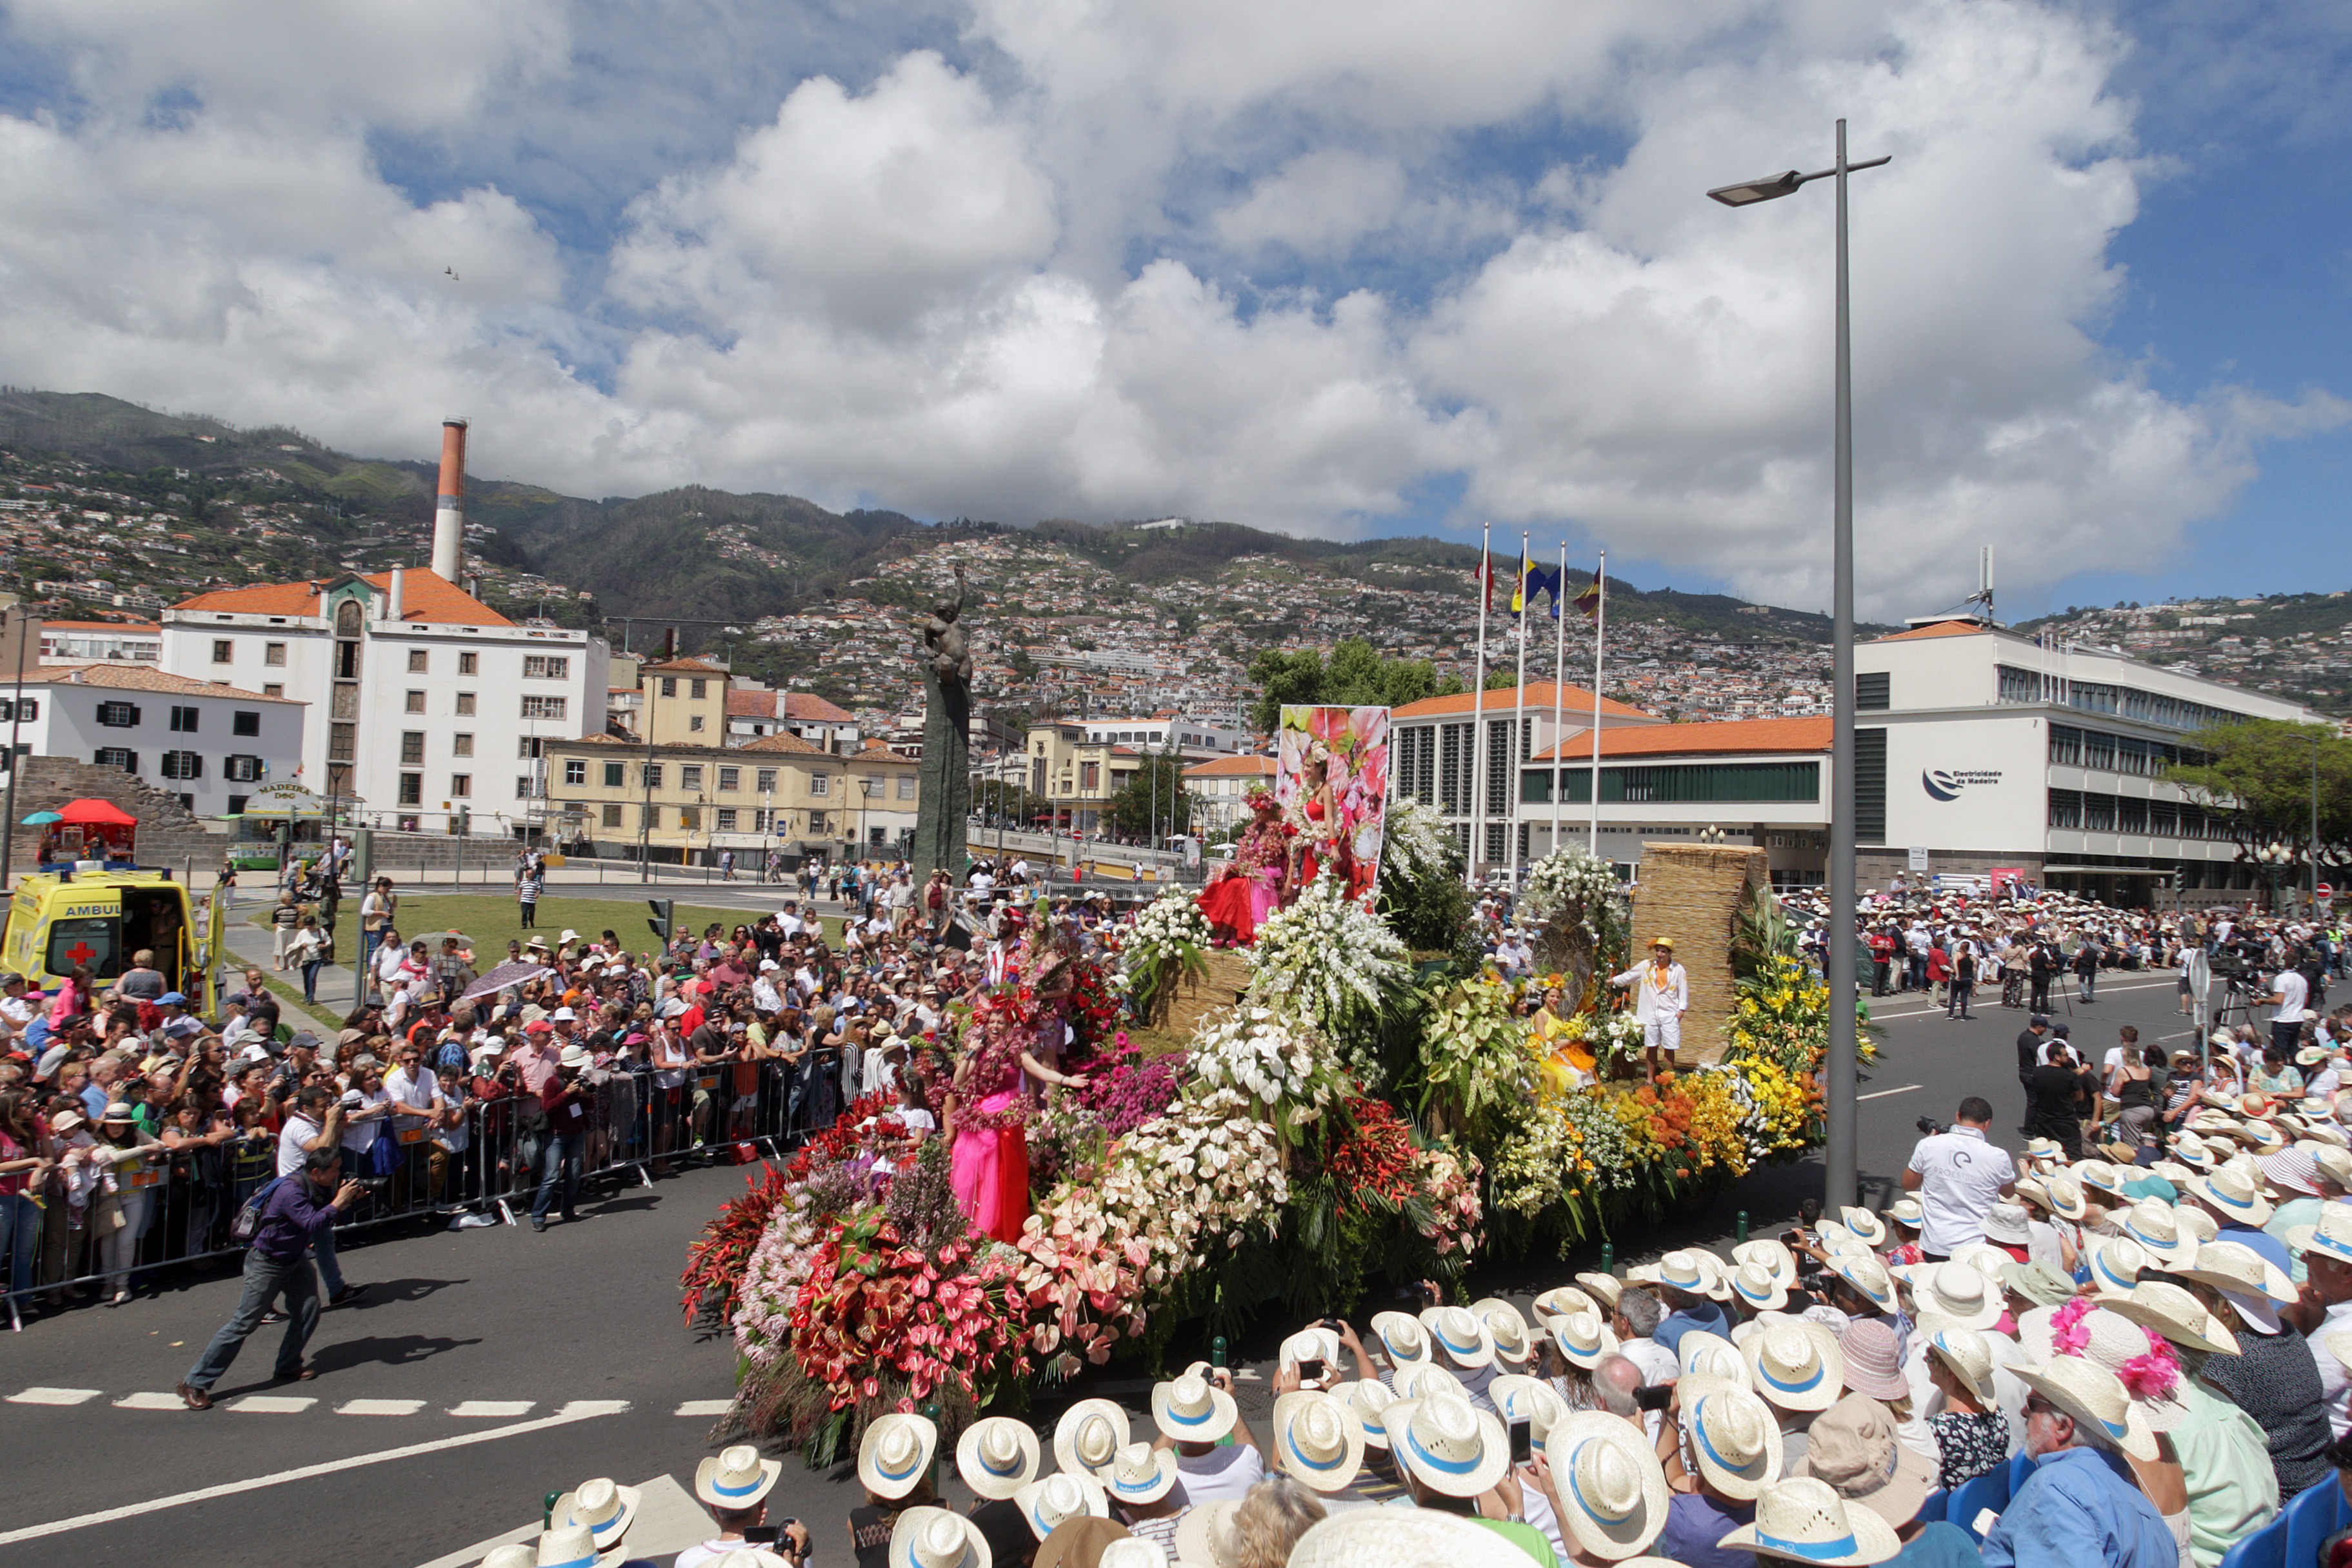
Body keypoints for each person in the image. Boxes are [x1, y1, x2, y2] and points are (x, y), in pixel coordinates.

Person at [177, 1146, 361, 1407]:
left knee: (308, 1309)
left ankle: (288, 1365)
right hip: (267, 1262)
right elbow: (312, 1223)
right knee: (244, 1323)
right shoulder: (291, 1190)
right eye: (335, 1170)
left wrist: (348, 1200)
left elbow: (322, 1219)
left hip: (294, 1259)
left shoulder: (318, 1186)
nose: (338, 1174)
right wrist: (338, 1204)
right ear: (317, 1171)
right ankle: (194, 1382)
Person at [1981, 1358, 2177, 1568]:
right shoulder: (2149, 1513)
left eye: (2033, 1405)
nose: (2023, 1411)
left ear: (2063, 1427)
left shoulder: (2056, 1487)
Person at [1901, 1097, 2018, 1260]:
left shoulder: (1928, 1145)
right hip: (1977, 1246)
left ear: (1958, 1116)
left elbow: (1908, 1184)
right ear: (1987, 1124)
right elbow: (2009, 1193)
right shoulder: (1998, 1156)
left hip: (1937, 1244)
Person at [1610, 938, 1689, 1081]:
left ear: (1669, 953)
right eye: (1657, 951)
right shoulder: (1647, 966)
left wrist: (1681, 1011)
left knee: (1669, 1047)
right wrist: (1613, 981)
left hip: (1669, 1013)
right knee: (1651, 1046)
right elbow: (1630, 976)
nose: (1659, 954)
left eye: (1663, 951)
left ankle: (1667, 1080)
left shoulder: (1678, 970)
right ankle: (1650, 1080)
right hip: (1651, 1013)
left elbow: (1683, 991)